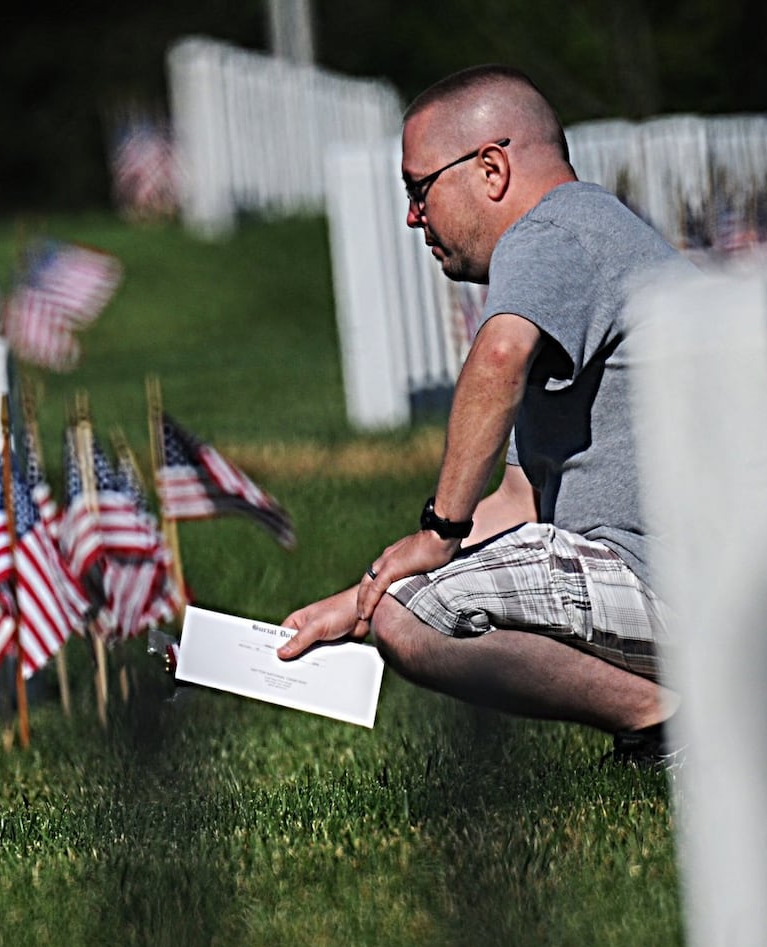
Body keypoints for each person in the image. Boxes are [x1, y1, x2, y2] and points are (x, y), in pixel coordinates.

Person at [276, 65, 693, 762]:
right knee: (400, 607)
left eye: (418, 189)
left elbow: (496, 358)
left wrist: (437, 535)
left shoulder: (554, 228)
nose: (413, 216)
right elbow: (519, 499)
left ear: (491, 168)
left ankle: (666, 721)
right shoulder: (587, 236)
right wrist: (361, 599)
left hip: (673, 579)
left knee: (416, 622)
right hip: (693, 579)